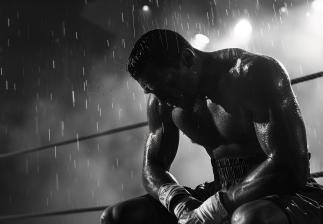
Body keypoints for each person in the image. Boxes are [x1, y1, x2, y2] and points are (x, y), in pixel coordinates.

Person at [100, 29, 323, 224]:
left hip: (283, 190)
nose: (163, 100)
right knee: (117, 216)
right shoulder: (162, 102)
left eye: (164, 85)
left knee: (248, 219)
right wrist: (180, 202)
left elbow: (292, 168)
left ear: (187, 58)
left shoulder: (250, 73)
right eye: (151, 91)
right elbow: (153, 167)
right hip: (222, 190)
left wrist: (213, 209)